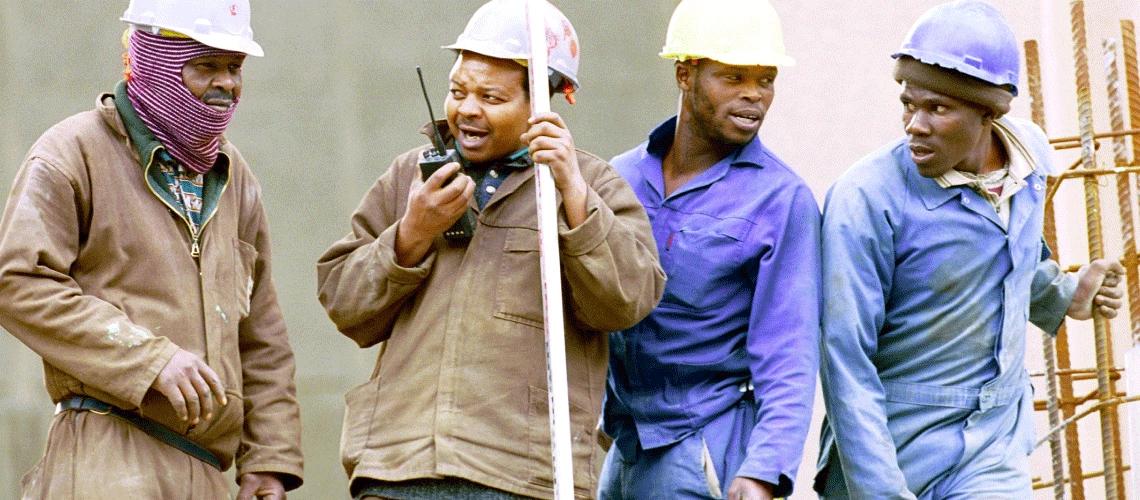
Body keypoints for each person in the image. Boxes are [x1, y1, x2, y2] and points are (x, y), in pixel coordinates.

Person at [315, 0, 665, 498]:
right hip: (396, 469)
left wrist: (574, 198)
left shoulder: (591, 185)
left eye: (491, 97)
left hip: (523, 476)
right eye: (457, 91)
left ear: (542, 104)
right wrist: (412, 231)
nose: (467, 109)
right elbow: (344, 305)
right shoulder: (410, 177)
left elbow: (625, 301)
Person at [815, 1, 1126, 498]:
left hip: (992, 447)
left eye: (937, 108)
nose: (914, 124)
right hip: (894, 446)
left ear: (990, 114)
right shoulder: (865, 199)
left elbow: (1006, 261)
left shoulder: (1029, 162)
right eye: (908, 103)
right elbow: (845, 361)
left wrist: (1065, 295)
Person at [0, 1, 304, 499]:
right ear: (154, 62)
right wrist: (149, 359)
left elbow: (262, 334)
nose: (227, 83)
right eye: (205, 66)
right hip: (106, 455)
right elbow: (17, 282)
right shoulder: (72, 151)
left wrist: (268, 459)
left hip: (207, 471)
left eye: (234, 66)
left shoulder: (233, 176)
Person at [597, 1, 820, 499]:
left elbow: (788, 351)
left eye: (765, 80)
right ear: (685, 74)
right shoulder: (621, 177)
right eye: (733, 76)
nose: (753, 96)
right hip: (623, 448)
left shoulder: (781, 201)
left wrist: (764, 469)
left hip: (705, 448)